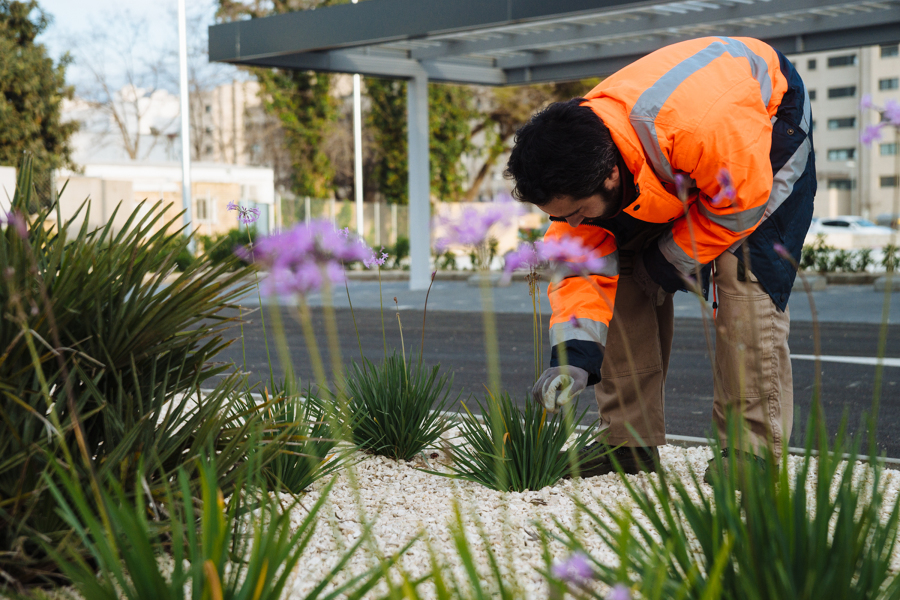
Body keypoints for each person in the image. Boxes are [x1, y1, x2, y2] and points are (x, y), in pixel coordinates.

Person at [504, 36, 815, 480]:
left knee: (744, 273)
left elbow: (738, 206)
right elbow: (582, 272)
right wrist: (572, 357)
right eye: (560, 216)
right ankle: (628, 442)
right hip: (671, 155)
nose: (571, 222)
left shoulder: (704, 128)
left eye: (577, 211)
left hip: (764, 131)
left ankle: (753, 452)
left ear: (610, 176)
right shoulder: (577, 168)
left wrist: (666, 261)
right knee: (620, 270)